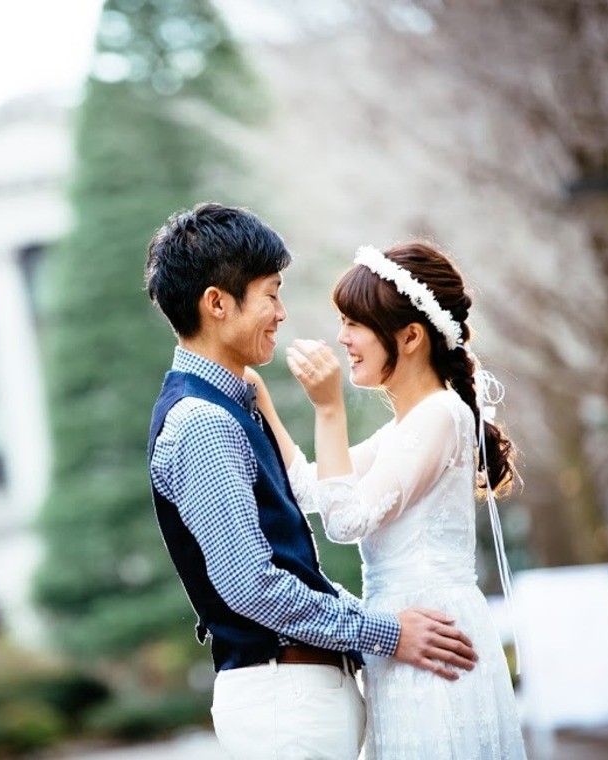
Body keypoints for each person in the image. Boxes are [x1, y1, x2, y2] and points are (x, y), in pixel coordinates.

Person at [144, 204, 479, 760]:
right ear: (218, 304)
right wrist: (387, 632)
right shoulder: (202, 422)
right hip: (284, 699)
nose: (281, 313)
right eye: (271, 294)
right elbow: (252, 586)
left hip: (296, 697)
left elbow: (290, 554)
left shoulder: (229, 409)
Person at [250, 240, 527, 758]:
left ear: (410, 336)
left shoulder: (441, 415)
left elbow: (345, 519)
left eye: (354, 323)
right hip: (405, 640)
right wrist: (263, 402)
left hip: (433, 643)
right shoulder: (408, 425)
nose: (342, 339)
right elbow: (313, 487)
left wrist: (329, 410)